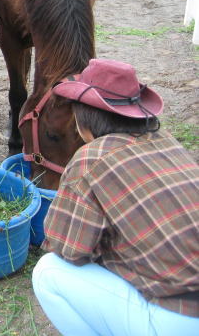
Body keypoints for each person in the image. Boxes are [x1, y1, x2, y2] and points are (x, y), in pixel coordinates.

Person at [31, 59, 199, 336]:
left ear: (82, 119)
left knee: (49, 272)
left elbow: (69, 250)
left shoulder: (92, 157)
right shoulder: (166, 139)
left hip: (180, 318)